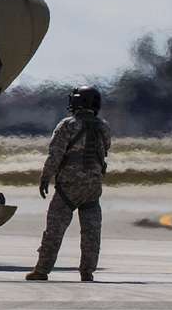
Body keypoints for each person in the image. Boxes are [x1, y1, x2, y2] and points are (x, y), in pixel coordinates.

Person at [26, 86, 112, 282]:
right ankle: (87, 272)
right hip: (93, 188)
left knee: (54, 230)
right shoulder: (104, 127)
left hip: (68, 188)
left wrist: (45, 178)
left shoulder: (67, 125)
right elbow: (105, 149)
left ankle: (42, 270)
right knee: (91, 233)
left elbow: (55, 155)